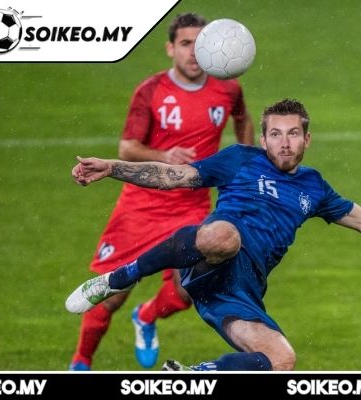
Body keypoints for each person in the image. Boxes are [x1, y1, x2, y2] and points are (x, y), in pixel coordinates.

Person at [66, 99, 361, 371]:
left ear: (307, 139)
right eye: (275, 134)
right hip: (209, 255)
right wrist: (113, 167)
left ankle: (197, 374)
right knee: (225, 236)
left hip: (239, 289)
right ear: (262, 139)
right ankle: (120, 277)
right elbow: (174, 176)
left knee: (281, 359)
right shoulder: (240, 159)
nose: (284, 143)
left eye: (293, 134)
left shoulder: (314, 187)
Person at [67, 12, 254, 371]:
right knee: (110, 295)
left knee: (189, 291)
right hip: (141, 207)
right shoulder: (151, 91)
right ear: (170, 48)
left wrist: (245, 161)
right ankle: (81, 362)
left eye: (199, 44)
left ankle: (146, 316)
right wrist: (163, 156)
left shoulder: (228, 88)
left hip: (191, 206)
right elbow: (127, 148)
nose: (193, 52)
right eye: (185, 44)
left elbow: (242, 118)